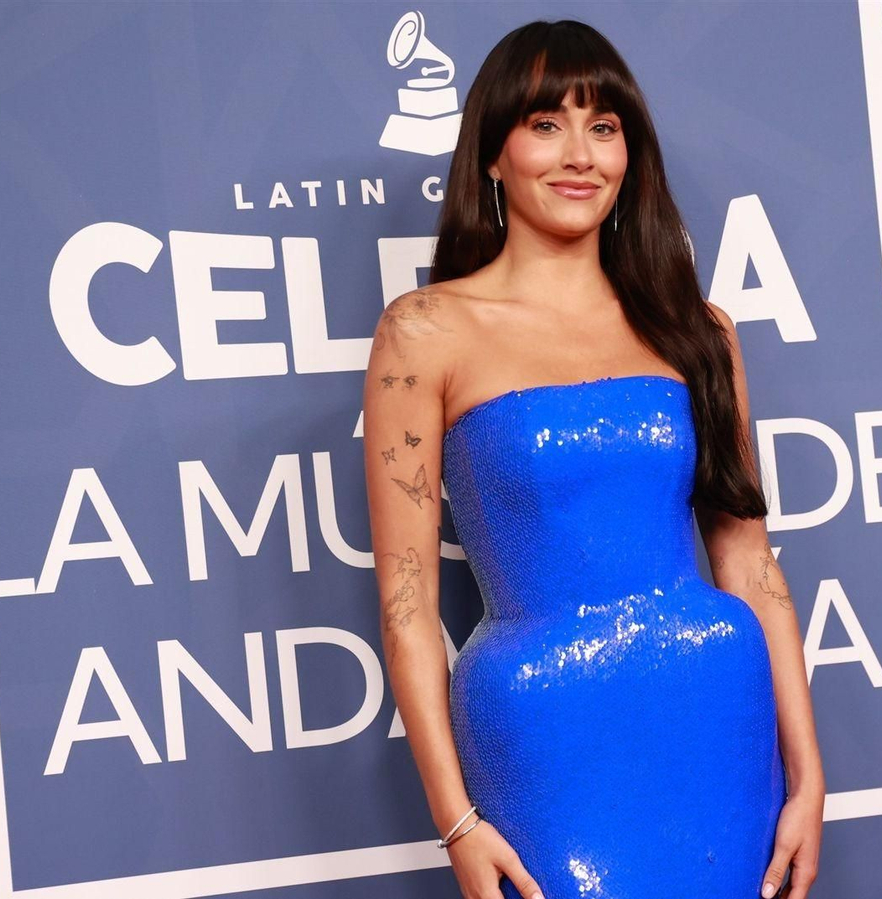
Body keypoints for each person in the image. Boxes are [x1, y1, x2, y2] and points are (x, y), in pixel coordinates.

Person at [362, 19, 824, 899]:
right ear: (491, 155)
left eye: (603, 126)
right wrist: (456, 821)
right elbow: (408, 604)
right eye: (545, 124)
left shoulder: (698, 331)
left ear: (630, 153)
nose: (579, 154)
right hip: (543, 733)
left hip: (716, 716)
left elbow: (747, 561)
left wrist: (806, 779)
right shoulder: (425, 332)